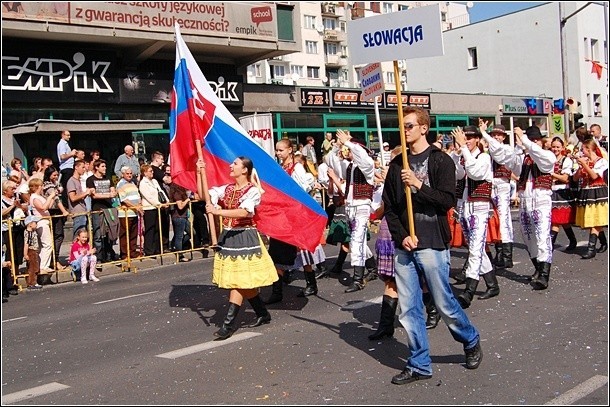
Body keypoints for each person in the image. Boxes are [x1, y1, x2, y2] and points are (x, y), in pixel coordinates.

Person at [383, 106, 482, 385]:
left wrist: (417, 185)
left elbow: (447, 200)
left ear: (424, 128)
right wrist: (402, 235)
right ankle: (419, 363)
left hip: (433, 242)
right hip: (407, 245)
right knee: (409, 308)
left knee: (443, 302)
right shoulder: (396, 164)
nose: (405, 130)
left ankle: (470, 338)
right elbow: (389, 206)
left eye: (410, 125)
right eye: (402, 126)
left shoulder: (440, 161)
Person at [203, 156, 277, 340]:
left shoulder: (253, 192)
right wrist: (199, 173)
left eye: (235, 163)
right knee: (243, 281)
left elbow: (245, 212)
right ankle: (262, 313)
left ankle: (228, 325)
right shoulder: (227, 189)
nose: (230, 165)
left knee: (238, 281)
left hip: (245, 236)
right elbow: (203, 194)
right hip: (229, 236)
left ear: (245, 170)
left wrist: (218, 211)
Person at [487, 125, 556, 290]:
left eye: (534, 140)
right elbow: (503, 158)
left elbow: (538, 154)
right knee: (528, 238)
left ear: (540, 141)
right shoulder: (523, 159)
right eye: (530, 140)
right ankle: (538, 268)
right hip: (526, 200)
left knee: (542, 237)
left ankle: (544, 275)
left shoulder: (547, 156)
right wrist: (488, 138)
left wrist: (524, 140)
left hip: (541, 201)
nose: (531, 143)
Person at [264, 139, 318, 304]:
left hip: (294, 215)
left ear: (289, 150)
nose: (278, 153)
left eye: (281, 150)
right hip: (282, 216)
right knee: (276, 251)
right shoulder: (281, 168)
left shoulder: (297, 167)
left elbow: (305, 187)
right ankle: (277, 290)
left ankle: (311, 283)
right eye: (277, 150)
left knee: (301, 249)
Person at [450, 125, 497, 307]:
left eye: (469, 138)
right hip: (466, 206)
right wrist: (456, 154)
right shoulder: (464, 157)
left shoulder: (484, 157)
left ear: (477, 139)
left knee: (476, 248)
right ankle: (493, 284)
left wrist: (463, 150)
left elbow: (475, 173)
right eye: (464, 138)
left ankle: (468, 291)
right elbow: (459, 174)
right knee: (475, 248)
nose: (466, 141)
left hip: (480, 206)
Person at [335, 129, 377, 293]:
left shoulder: (367, 165)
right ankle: (372, 268)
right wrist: (339, 146)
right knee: (356, 240)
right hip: (351, 206)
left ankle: (358, 279)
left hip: (361, 206)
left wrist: (349, 142)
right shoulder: (351, 167)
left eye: (350, 149)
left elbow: (363, 157)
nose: (348, 151)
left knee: (357, 240)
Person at [479, 123, 516, 268]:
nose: (496, 137)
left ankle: (507, 255)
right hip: (491, 184)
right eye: (494, 134)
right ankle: (499, 251)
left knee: (504, 217)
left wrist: (484, 134)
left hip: (502, 184)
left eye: (499, 135)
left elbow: (498, 153)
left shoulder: (506, 149)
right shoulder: (489, 150)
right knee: (493, 218)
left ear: (504, 137)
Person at [573, 138, 608, 259]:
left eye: (583, 149)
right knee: (590, 220)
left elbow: (594, 176)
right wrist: (580, 166)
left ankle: (591, 248)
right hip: (586, 192)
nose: (582, 151)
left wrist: (584, 164)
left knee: (595, 220)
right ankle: (603, 242)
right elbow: (575, 178)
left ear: (589, 149)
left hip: (598, 192)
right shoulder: (585, 161)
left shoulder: (602, 161)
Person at [548, 137, 578, 251]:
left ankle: (550, 245)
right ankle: (572, 240)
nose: (555, 149)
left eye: (557, 147)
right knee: (561, 221)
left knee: (557, 220)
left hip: (562, 191)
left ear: (562, 148)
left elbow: (565, 178)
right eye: (553, 146)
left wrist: (551, 174)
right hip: (551, 191)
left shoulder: (566, 160)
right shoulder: (549, 159)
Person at [86, 159, 118, 263]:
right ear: (97, 167)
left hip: (109, 209)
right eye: (103, 166)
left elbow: (113, 190)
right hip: (98, 210)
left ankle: (109, 254)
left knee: (110, 233)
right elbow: (94, 195)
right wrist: (108, 194)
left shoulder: (108, 178)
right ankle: (99, 257)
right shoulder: (90, 180)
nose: (105, 168)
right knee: (98, 234)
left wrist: (112, 193)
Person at [42, 166, 70, 270]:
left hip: (55, 210)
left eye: (57, 175)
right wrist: (64, 211)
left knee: (58, 236)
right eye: (54, 175)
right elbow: (56, 200)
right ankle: (55, 260)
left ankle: (54, 259)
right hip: (53, 211)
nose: (56, 177)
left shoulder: (54, 184)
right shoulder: (48, 186)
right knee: (58, 236)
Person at [28, 178, 57, 274]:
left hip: (45, 220)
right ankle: (43, 266)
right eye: (41, 186)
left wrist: (53, 197)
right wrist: (49, 197)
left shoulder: (39, 196)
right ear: (37, 187)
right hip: (41, 221)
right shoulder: (34, 197)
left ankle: (44, 265)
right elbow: (42, 207)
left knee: (45, 244)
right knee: (47, 244)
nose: (42, 188)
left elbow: (47, 206)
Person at [138, 164, 167, 256]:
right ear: (145, 173)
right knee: (150, 229)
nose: (152, 173)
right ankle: (149, 250)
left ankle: (157, 248)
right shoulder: (143, 183)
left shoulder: (154, 181)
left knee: (158, 228)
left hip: (158, 208)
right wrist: (158, 204)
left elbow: (160, 191)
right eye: (150, 171)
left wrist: (166, 201)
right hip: (149, 208)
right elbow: (148, 197)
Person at [116, 166, 143, 260]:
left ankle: (132, 252)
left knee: (133, 233)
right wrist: (136, 207)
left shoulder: (133, 183)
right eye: (127, 173)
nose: (129, 175)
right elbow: (124, 199)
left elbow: (137, 195)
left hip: (135, 212)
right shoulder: (120, 184)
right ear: (123, 174)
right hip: (125, 213)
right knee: (125, 234)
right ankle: (124, 254)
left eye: (130, 173)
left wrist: (139, 204)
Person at [2, 179, 27, 276]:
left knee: (18, 250)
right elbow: (3, 212)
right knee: (10, 250)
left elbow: (26, 208)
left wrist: (19, 205)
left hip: (18, 227)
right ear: (5, 190)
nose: (14, 190)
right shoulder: (2, 199)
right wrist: (13, 206)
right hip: (7, 228)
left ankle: (16, 270)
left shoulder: (16, 198)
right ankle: (10, 273)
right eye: (12, 189)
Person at [168, 173, 192, 262]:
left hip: (184, 216)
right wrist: (187, 200)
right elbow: (180, 206)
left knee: (192, 233)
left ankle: (175, 245)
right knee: (179, 236)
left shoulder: (181, 191)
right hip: (179, 217)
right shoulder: (177, 192)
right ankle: (180, 254)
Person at [67, 160, 93, 240]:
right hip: (77, 212)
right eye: (82, 167)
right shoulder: (71, 181)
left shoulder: (78, 181)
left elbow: (79, 196)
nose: (84, 169)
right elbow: (73, 198)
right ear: (76, 167)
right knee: (78, 237)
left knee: (84, 238)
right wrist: (85, 193)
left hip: (83, 210)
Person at [150, 151, 171, 251]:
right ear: (156, 159)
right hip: (159, 201)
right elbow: (167, 180)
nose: (162, 162)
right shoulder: (155, 170)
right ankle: (163, 246)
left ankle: (161, 246)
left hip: (160, 200)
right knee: (163, 224)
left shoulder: (154, 170)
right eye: (161, 159)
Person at [23, 215, 43, 290]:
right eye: (35, 222)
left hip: (34, 251)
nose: (36, 224)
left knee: (34, 267)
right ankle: (32, 282)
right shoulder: (28, 233)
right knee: (33, 268)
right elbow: (26, 244)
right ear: (30, 224)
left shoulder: (33, 232)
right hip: (31, 251)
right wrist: (25, 254)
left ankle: (32, 282)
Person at [56, 130, 77, 203]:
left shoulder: (65, 144)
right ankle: (66, 203)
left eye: (69, 135)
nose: (69, 137)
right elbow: (62, 156)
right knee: (67, 187)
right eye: (67, 135)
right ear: (63, 135)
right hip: (66, 168)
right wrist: (71, 154)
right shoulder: (62, 144)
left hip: (69, 167)